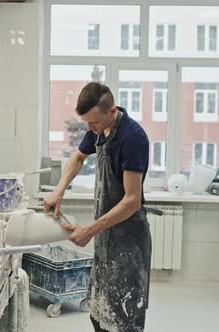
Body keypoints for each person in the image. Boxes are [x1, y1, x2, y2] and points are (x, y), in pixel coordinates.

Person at [44, 82, 152, 332]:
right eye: (87, 124)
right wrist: (59, 190)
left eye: (94, 123)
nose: (90, 129)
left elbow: (132, 200)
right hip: (107, 238)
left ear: (111, 111)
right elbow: (78, 157)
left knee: (123, 320)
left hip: (129, 242)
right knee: (99, 313)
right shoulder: (99, 129)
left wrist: (89, 230)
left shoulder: (132, 137)